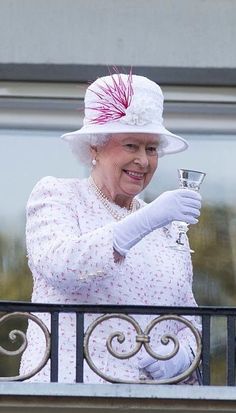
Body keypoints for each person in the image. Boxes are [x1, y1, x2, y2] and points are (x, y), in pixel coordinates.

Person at [20, 70, 202, 384]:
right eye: (131, 145)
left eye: (151, 149)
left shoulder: (167, 227)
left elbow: (189, 316)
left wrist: (181, 357)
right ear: (95, 147)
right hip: (70, 394)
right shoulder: (59, 195)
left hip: (154, 400)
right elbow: (61, 264)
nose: (143, 162)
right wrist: (147, 219)